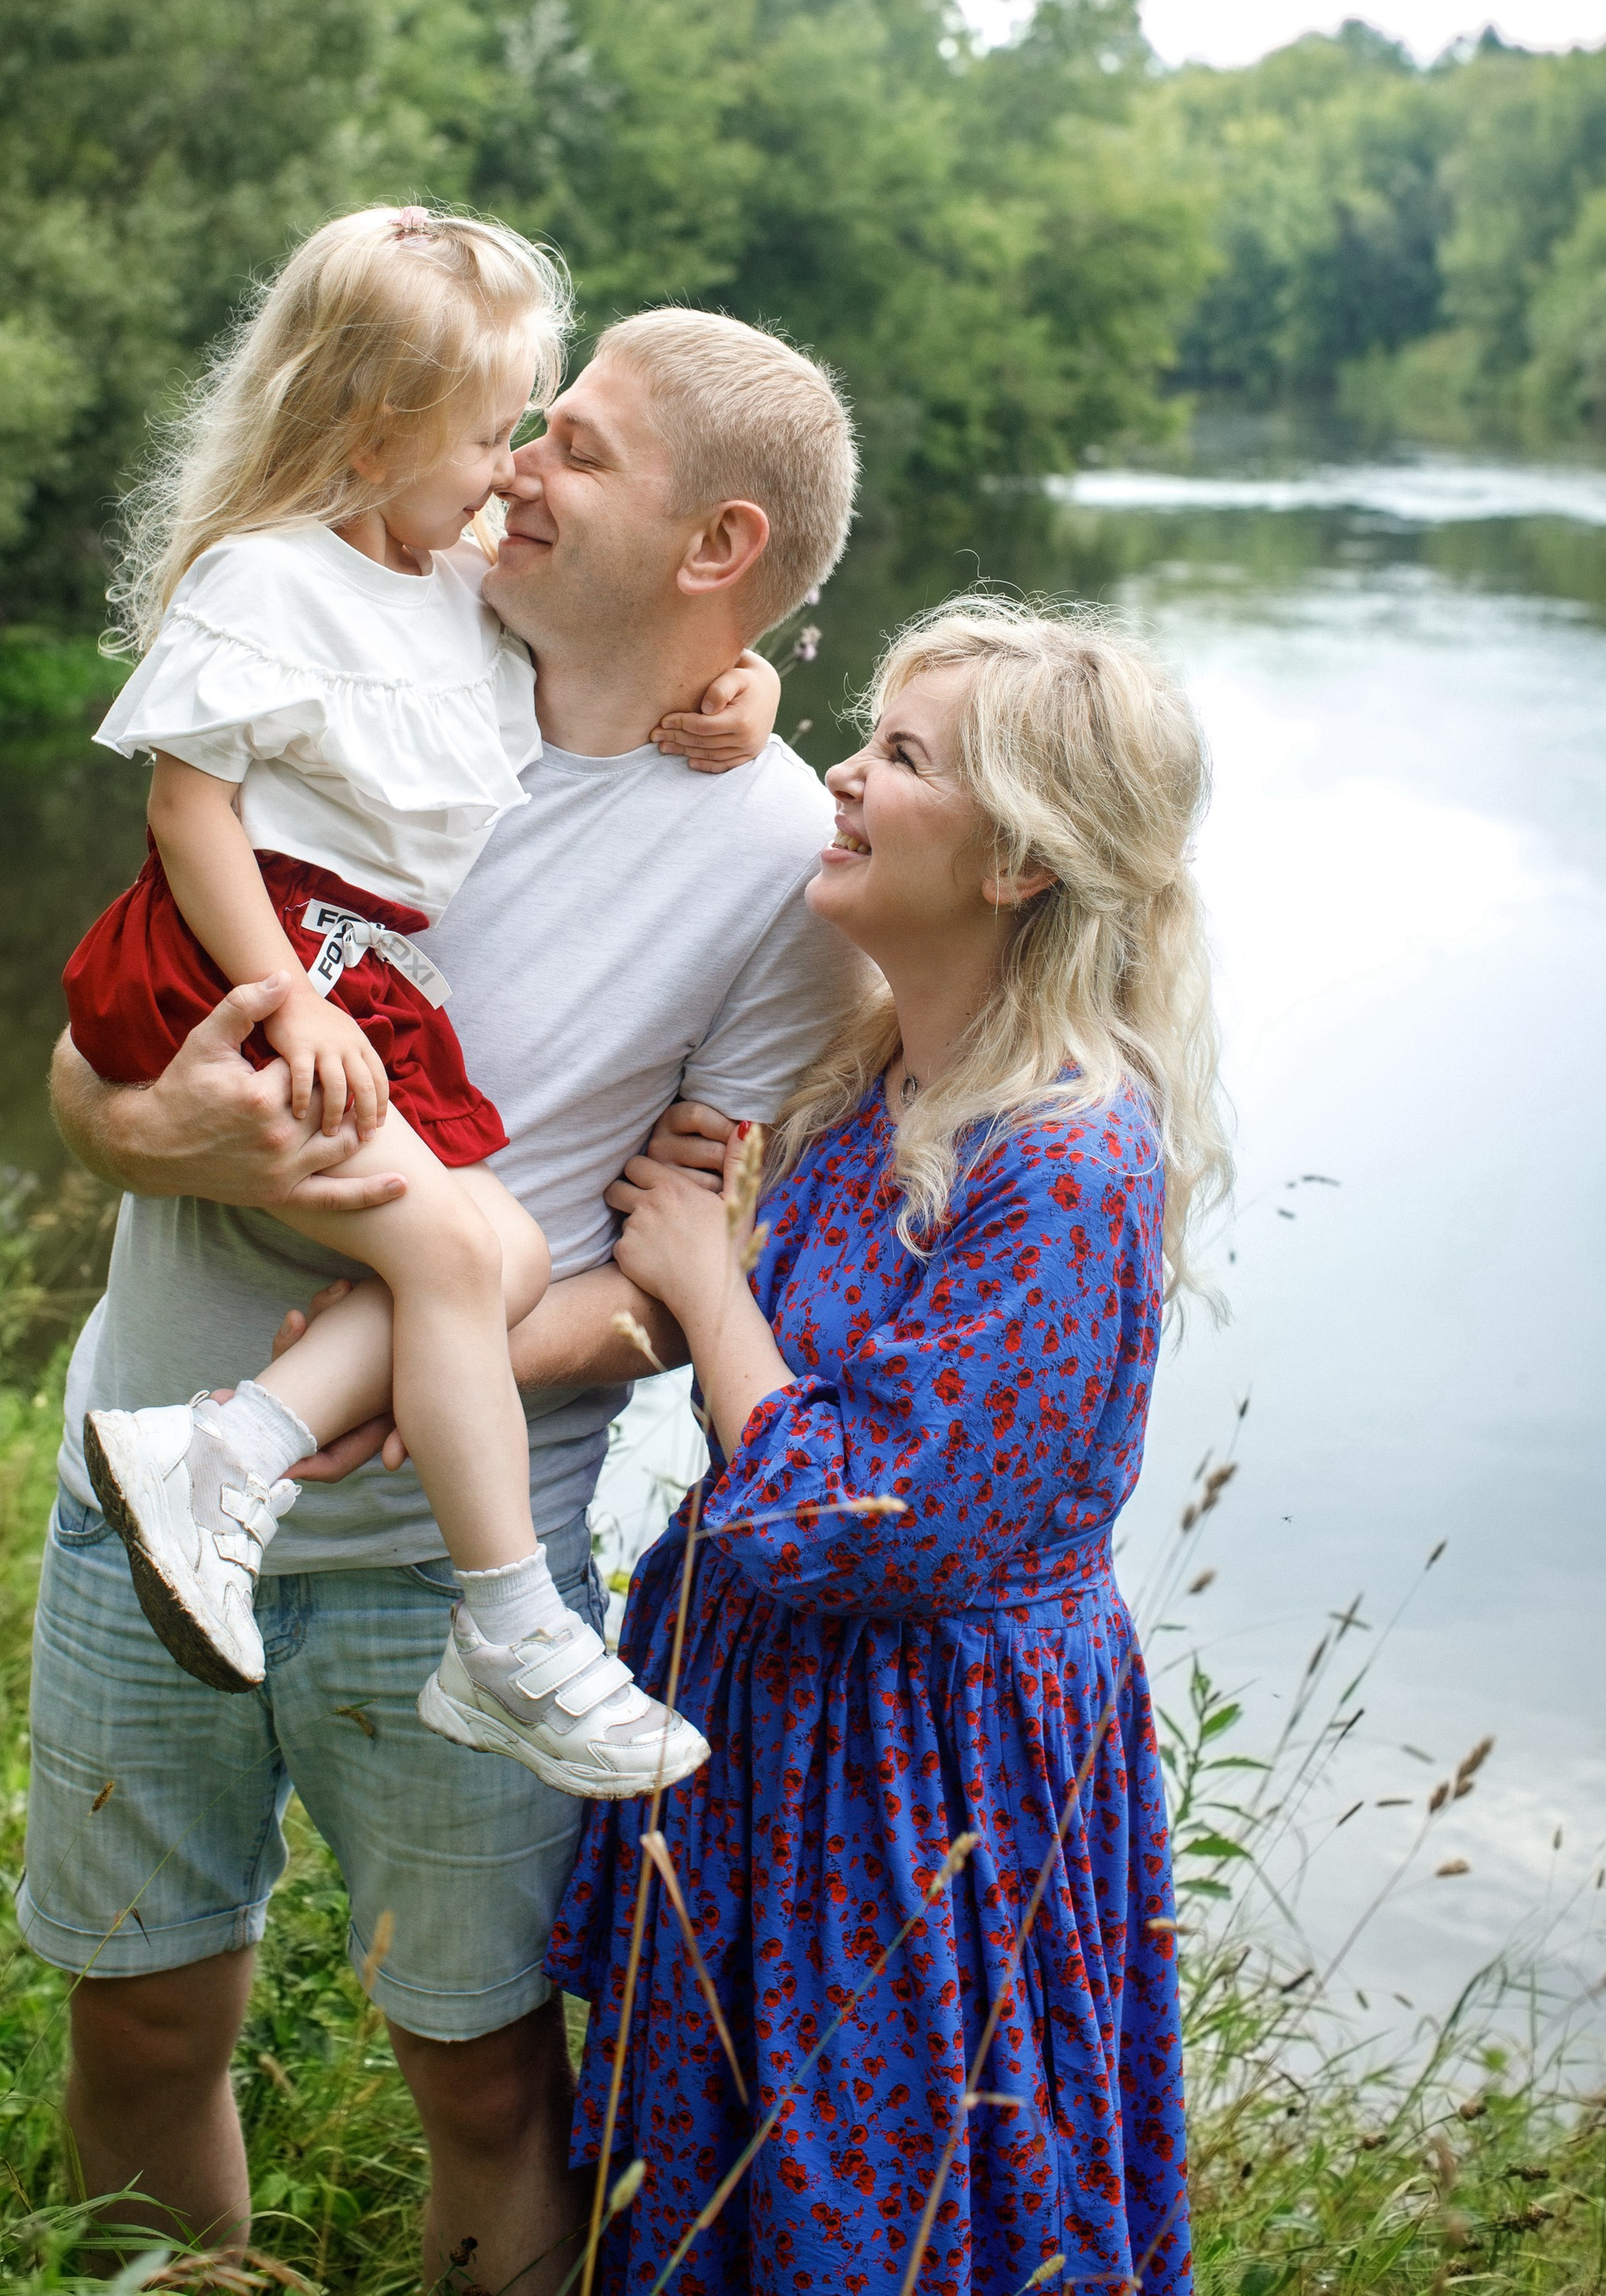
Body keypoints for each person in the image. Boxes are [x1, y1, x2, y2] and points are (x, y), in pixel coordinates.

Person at [20, 306, 873, 2282]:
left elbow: (678, 1279)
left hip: (455, 1555)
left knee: (486, 2080)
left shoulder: (777, 861)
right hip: (126, 1488)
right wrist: (180, 1143)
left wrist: (443, 1350)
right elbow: (90, 1055)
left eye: (571, 447)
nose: (510, 467)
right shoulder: (369, 660)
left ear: (713, 553)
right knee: (143, 2014)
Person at [551, 596, 1229, 2294]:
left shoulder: (1062, 1160)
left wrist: (710, 1286)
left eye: (899, 758)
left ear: (1015, 864)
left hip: (926, 1780)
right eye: (860, 734)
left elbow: (859, 1524)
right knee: (744, 2200)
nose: (842, 777)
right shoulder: (873, 1089)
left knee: (902, 2203)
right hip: (790, 1742)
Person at [64, 206, 768, 1796]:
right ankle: (510, 1626)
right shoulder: (266, 580)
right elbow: (188, 815)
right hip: (255, 956)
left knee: (504, 1246)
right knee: (459, 1241)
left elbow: (626, 625)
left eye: (535, 434)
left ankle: (224, 1452)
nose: (510, 467)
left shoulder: (441, 584)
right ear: (380, 434)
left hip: (353, 969)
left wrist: (741, 676)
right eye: (491, 430)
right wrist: (282, 999)